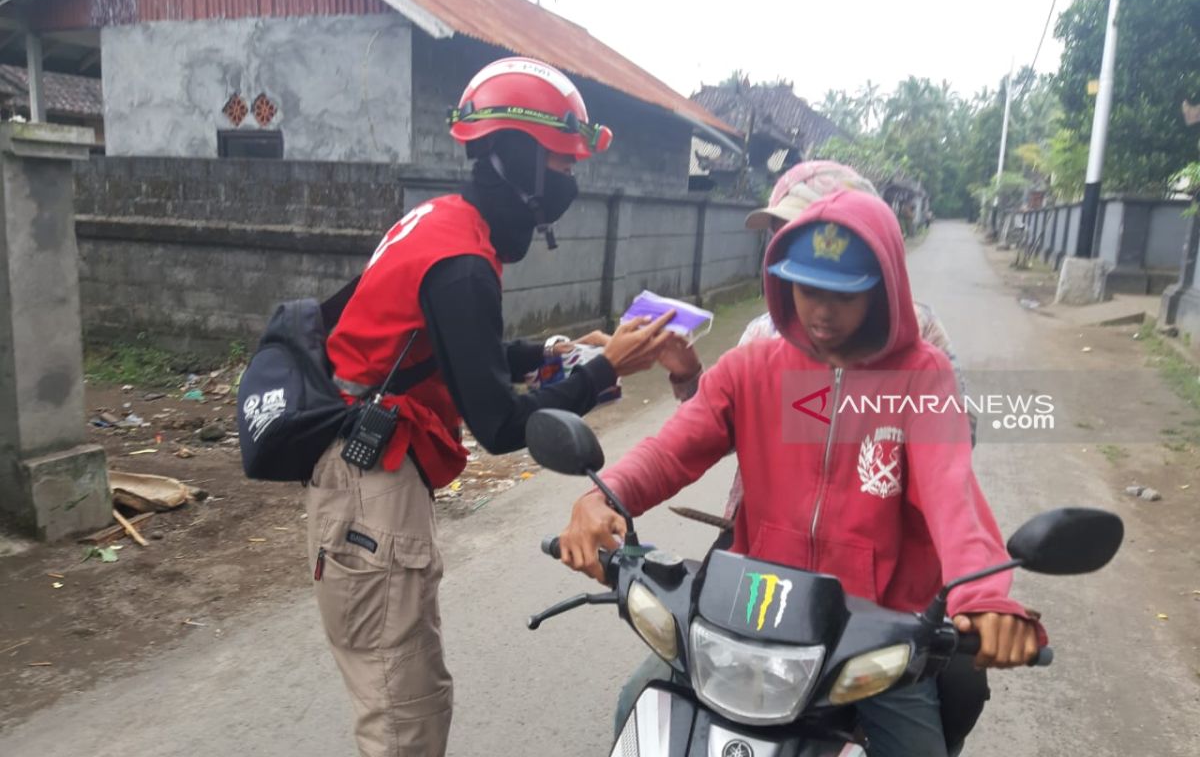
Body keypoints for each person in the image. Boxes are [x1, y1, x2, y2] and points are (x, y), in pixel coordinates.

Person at [559, 189, 1043, 757]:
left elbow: (951, 493)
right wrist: (605, 495)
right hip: (755, 613)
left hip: (872, 632)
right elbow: (671, 449)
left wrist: (985, 595)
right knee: (639, 706)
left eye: (844, 294)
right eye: (808, 288)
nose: (821, 312)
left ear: (883, 288)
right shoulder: (752, 368)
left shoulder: (922, 377)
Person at [309, 56, 673, 757]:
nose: (569, 183)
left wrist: (559, 350)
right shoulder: (462, 261)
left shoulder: (442, 224)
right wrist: (603, 370)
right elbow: (502, 425)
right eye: (563, 165)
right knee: (403, 715)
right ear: (521, 160)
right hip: (368, 491)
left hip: (363, 477)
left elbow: (455, 350)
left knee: (414, 695)